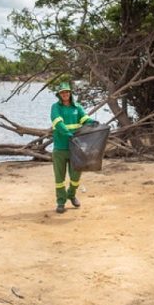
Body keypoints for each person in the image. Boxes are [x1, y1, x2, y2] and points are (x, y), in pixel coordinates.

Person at [50, 82, 97, 214]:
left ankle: (71, 194)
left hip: (75, 147)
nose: (65, 94)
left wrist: (92, 122)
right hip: (60, 148)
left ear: (70, 93)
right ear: (59, 95)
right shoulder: (55, 107)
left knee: (76, 175)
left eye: (67, 92)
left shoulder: (77, 107)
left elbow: (85, 119)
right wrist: (68, 134)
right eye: (62, 92)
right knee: (59, 178)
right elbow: (57, 122)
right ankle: (60, 202)